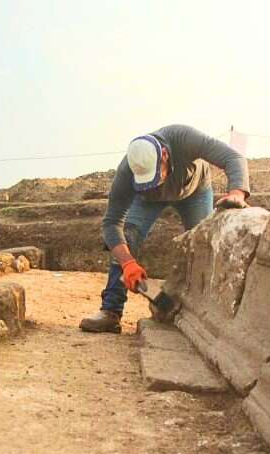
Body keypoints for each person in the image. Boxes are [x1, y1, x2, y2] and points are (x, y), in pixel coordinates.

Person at [79, 124, 250, 333]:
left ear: (166, 155)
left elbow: (233, 158)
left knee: (204, 245)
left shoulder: (184, 138)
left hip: (193, 192)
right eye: (145, 181)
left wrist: (237, 193)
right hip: (147, 201)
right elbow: (112, 223)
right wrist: (128, 264)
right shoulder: (126, 171)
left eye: (154, 178)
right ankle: (111, 311)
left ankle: (203, 311)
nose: (153, 185)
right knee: (128, 237)